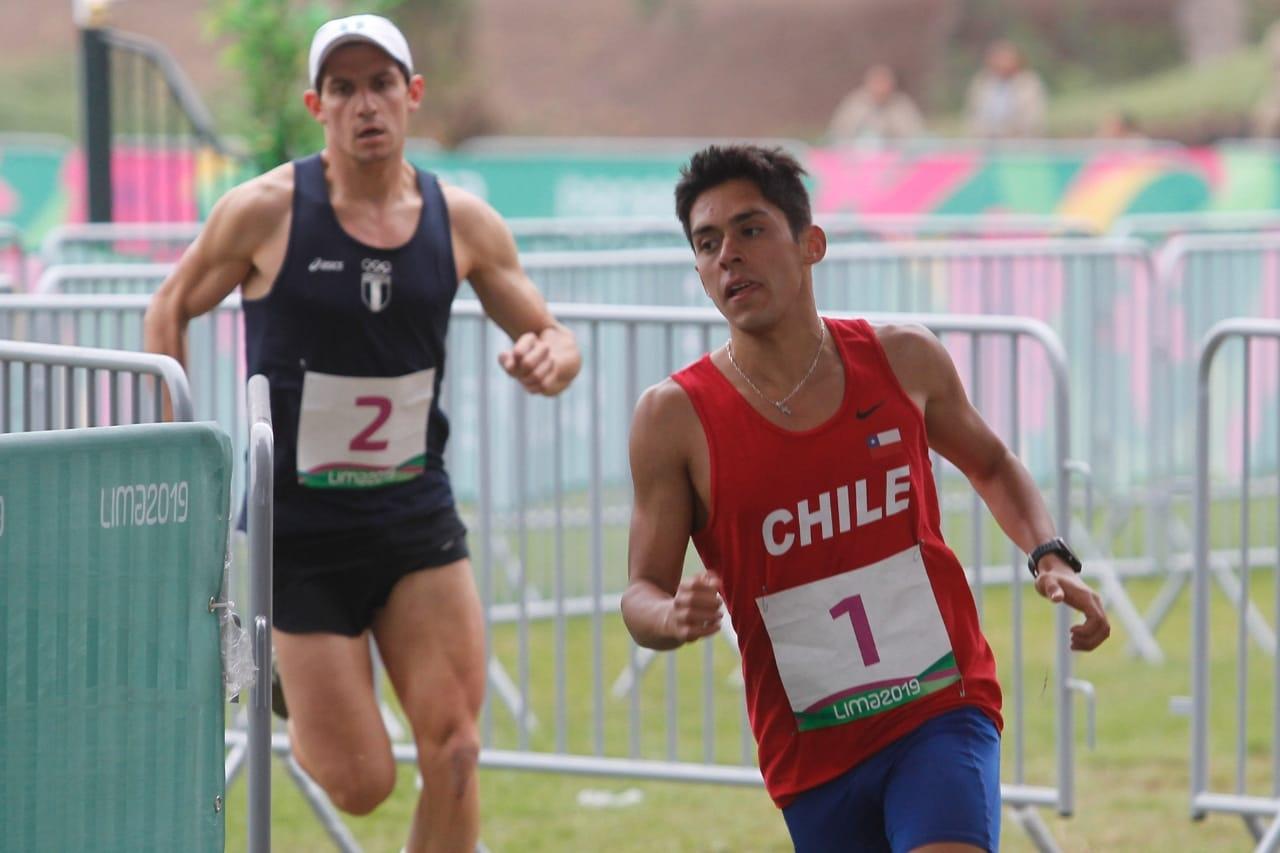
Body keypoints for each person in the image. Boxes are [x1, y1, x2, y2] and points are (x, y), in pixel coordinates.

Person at [144, 14, 581, 851]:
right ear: (318, 105)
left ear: (412, 96)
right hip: (299, 535)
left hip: (414, 518)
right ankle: (289, 678)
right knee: (363, 784)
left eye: (381, 83)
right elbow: (169, 305)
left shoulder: (463, 224)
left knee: (455, 746)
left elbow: (555, 335)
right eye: (343, 88)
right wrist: (175, 452)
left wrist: (550, 357)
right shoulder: (265, 212)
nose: (365, 104)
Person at [620, 144, 1109, 852]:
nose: (727, 255)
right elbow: (639, 590)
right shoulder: (673, 418)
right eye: (706, 242)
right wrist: (669, 614)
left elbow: (994, 463)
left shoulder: (902, 358)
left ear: (810, 243)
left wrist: (1050, 554)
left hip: (939, 705)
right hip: (811, 750)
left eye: (751, 229)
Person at [965, 40, 1047, 138]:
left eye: (1006, 59)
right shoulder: (982, 83)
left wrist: (1008, 133)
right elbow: (973, 116)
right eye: (998, 58)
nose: (1002, 63)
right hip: (987, 143)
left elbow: (1033, 119)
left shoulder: (1029, 83)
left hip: (1021, 144)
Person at [826, 64, 925, 144]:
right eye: (877, 82)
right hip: (857, 159)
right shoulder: (855, 103)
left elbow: (914, 134)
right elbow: (839, 132)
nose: (880, 88)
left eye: (884, 82)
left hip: (895, 157)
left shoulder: (902, 105)